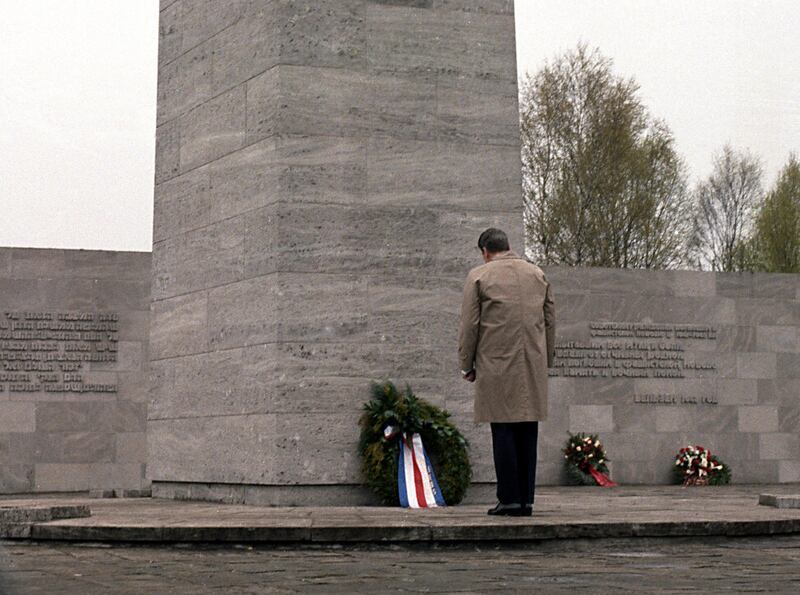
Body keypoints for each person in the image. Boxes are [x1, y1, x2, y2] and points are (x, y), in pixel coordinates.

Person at [458, 228, 555, 517]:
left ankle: (509, 498)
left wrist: (466, 364)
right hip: (531, 365)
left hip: (496, 364)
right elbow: (550, 321)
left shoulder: (479, 276)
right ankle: (526, 500)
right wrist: (546, 360)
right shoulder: (537, 274)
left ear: (485, 251)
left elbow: (470, 325)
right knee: (527, 430)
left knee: (503, 430)